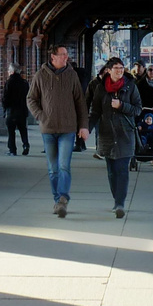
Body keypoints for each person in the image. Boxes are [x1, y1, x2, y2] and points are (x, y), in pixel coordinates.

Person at [27, 44, 88, 217]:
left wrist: (83, 125)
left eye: (66, 54)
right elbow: (31, 98)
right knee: (53, 169)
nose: (65, 57)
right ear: (53, 57)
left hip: (68, 129)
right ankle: (56, 200)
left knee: (63, 165)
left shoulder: (72, 75)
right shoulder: (41, 76)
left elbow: (80, 102)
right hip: (48, 129)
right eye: (62, 55)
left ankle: (63, 198)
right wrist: (40, 115)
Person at [88, 56, 142, 218]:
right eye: (116, 68)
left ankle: (120, 203)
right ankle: (116, 198)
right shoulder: (100, 88)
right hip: (107, 134)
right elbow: (95, 111)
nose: (119, 71)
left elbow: (138, 109)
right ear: (108, 70)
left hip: (125, 133)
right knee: (111, 171)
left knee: (122, 169)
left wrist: (122, 106)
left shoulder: (130, 87)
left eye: (121, 68)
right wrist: (87, 129)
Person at [1, 65, 30, 156]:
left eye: (9, 70)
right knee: (23, 129)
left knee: (11, 131)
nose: (8, 72)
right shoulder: (24, 83)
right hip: (22, 110)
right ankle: (26, 145)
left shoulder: (9, 82)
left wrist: (5, 108)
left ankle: (12, 149)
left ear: (12, 71)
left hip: (12, 110)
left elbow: (5, 97)